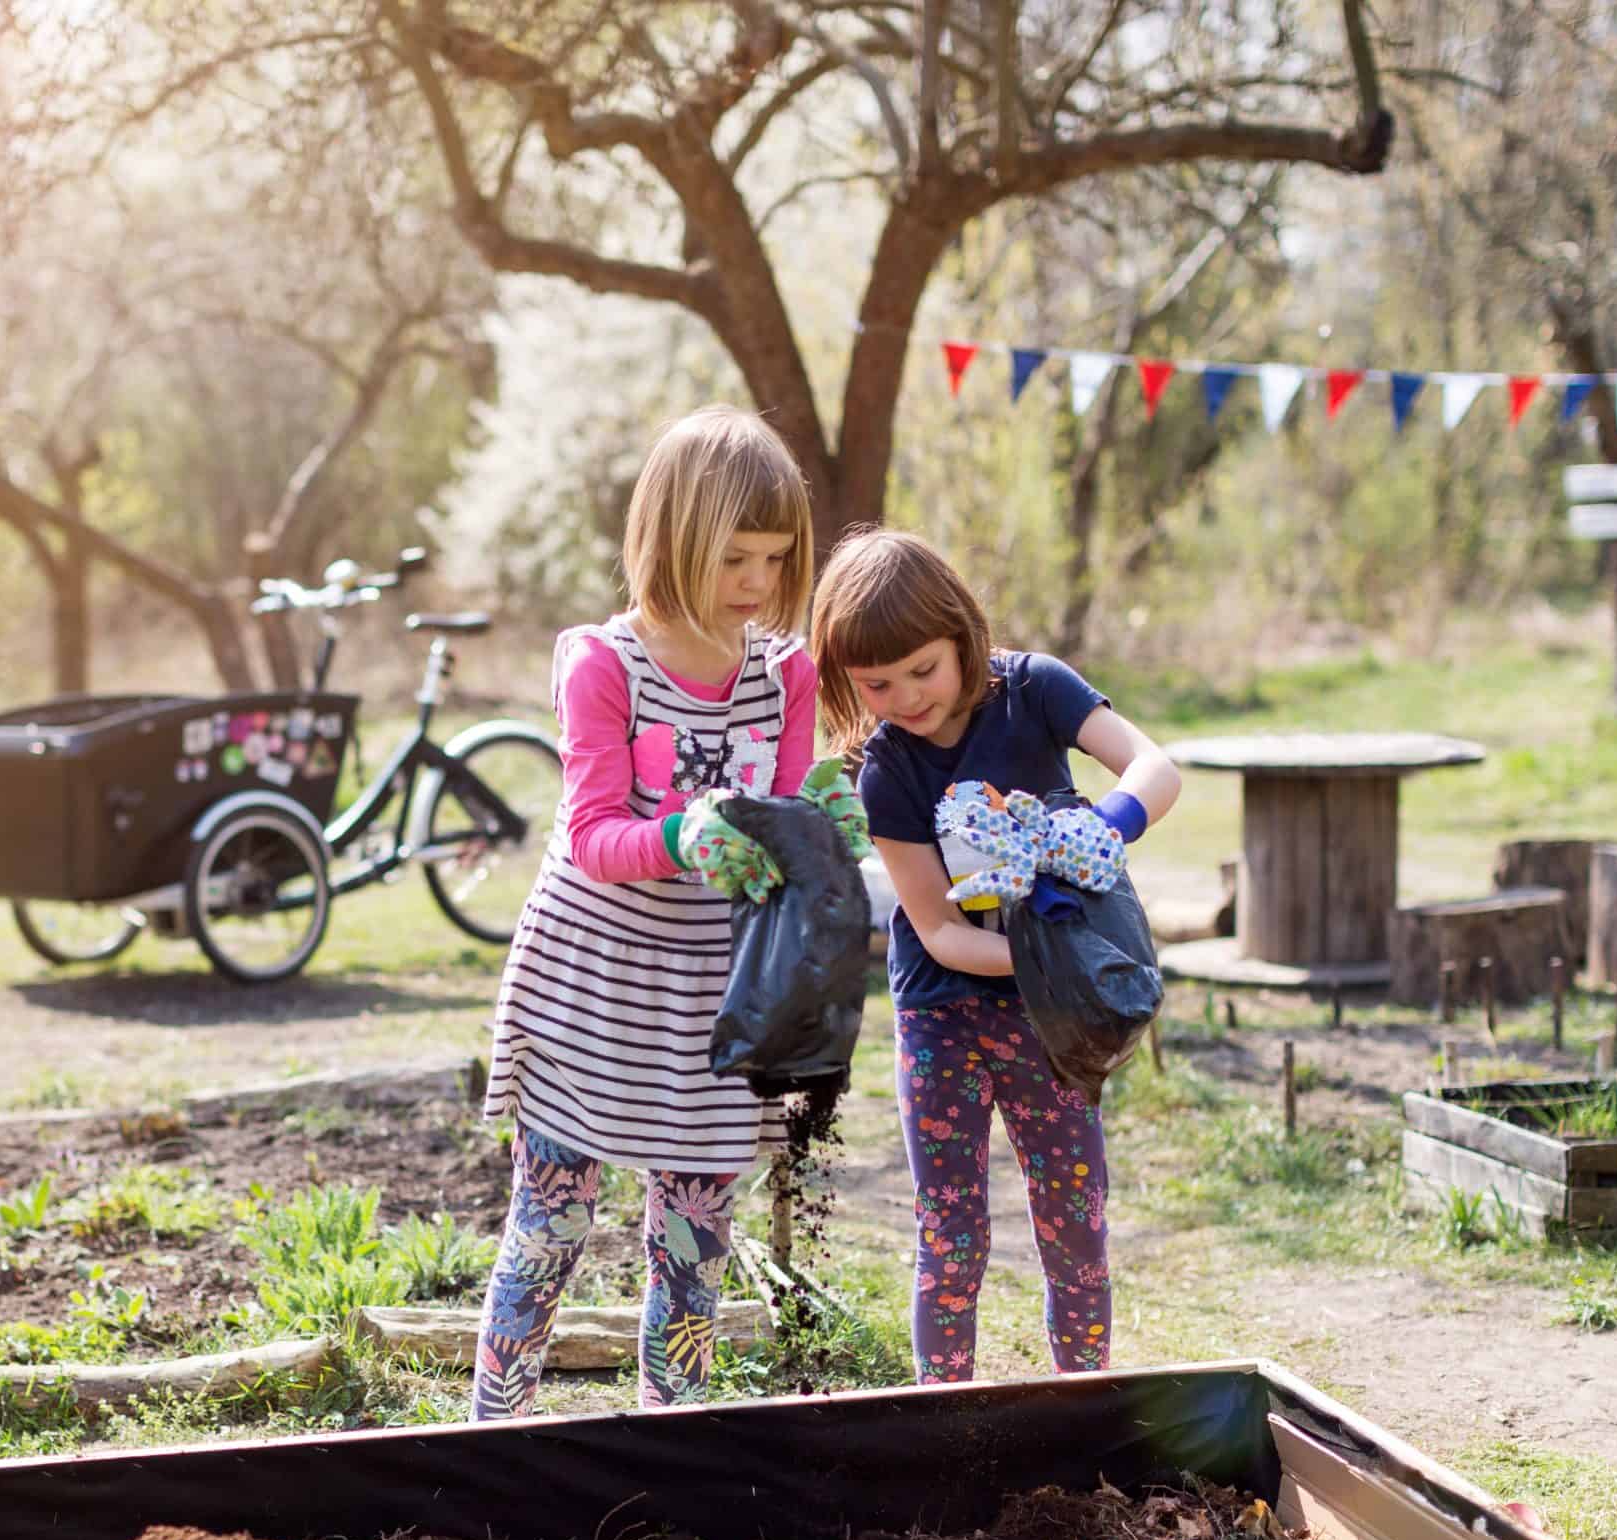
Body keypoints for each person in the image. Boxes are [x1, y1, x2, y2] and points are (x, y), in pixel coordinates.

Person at [472, 405, 819, 1418]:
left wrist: (806, 842)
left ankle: (676, 1438)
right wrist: (683, 838)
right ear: (669, 541)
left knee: (697, 1241)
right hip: (595, 979)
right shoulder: (602, 665)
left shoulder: (783, 674)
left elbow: (785, 820)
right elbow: (591, 835)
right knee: (550, 1222)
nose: (756, 584)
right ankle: (494, 1431)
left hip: (714, 994)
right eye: (734, 559)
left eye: (774, 559)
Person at [808, 529, 1180, 1383]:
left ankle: (1082, 1397)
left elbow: (1155, 766)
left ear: (961, 633)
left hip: (1052, 1026)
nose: (904, 697)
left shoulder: (1035, 690)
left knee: (1075, 1218)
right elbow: (937, 929)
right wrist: (1050, 957)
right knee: (951, 1229)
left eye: (922, 670)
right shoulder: (887, 770)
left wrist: (1105, 825)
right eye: (876, 683)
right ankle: (946, 1417)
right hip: (944, 1015)